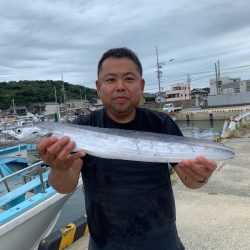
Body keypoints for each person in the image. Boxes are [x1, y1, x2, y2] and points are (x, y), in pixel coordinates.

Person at [37, 47, 217, 250]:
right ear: (98, 87)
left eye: (129, 79)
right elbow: (65, 186)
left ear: (141, 85)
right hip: (105, 243)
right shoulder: (81, 127)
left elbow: (190, 181)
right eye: (111, 79)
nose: (120, 86)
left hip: (162, 239)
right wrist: (59, 168)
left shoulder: (161, 123)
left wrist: (200, 175)